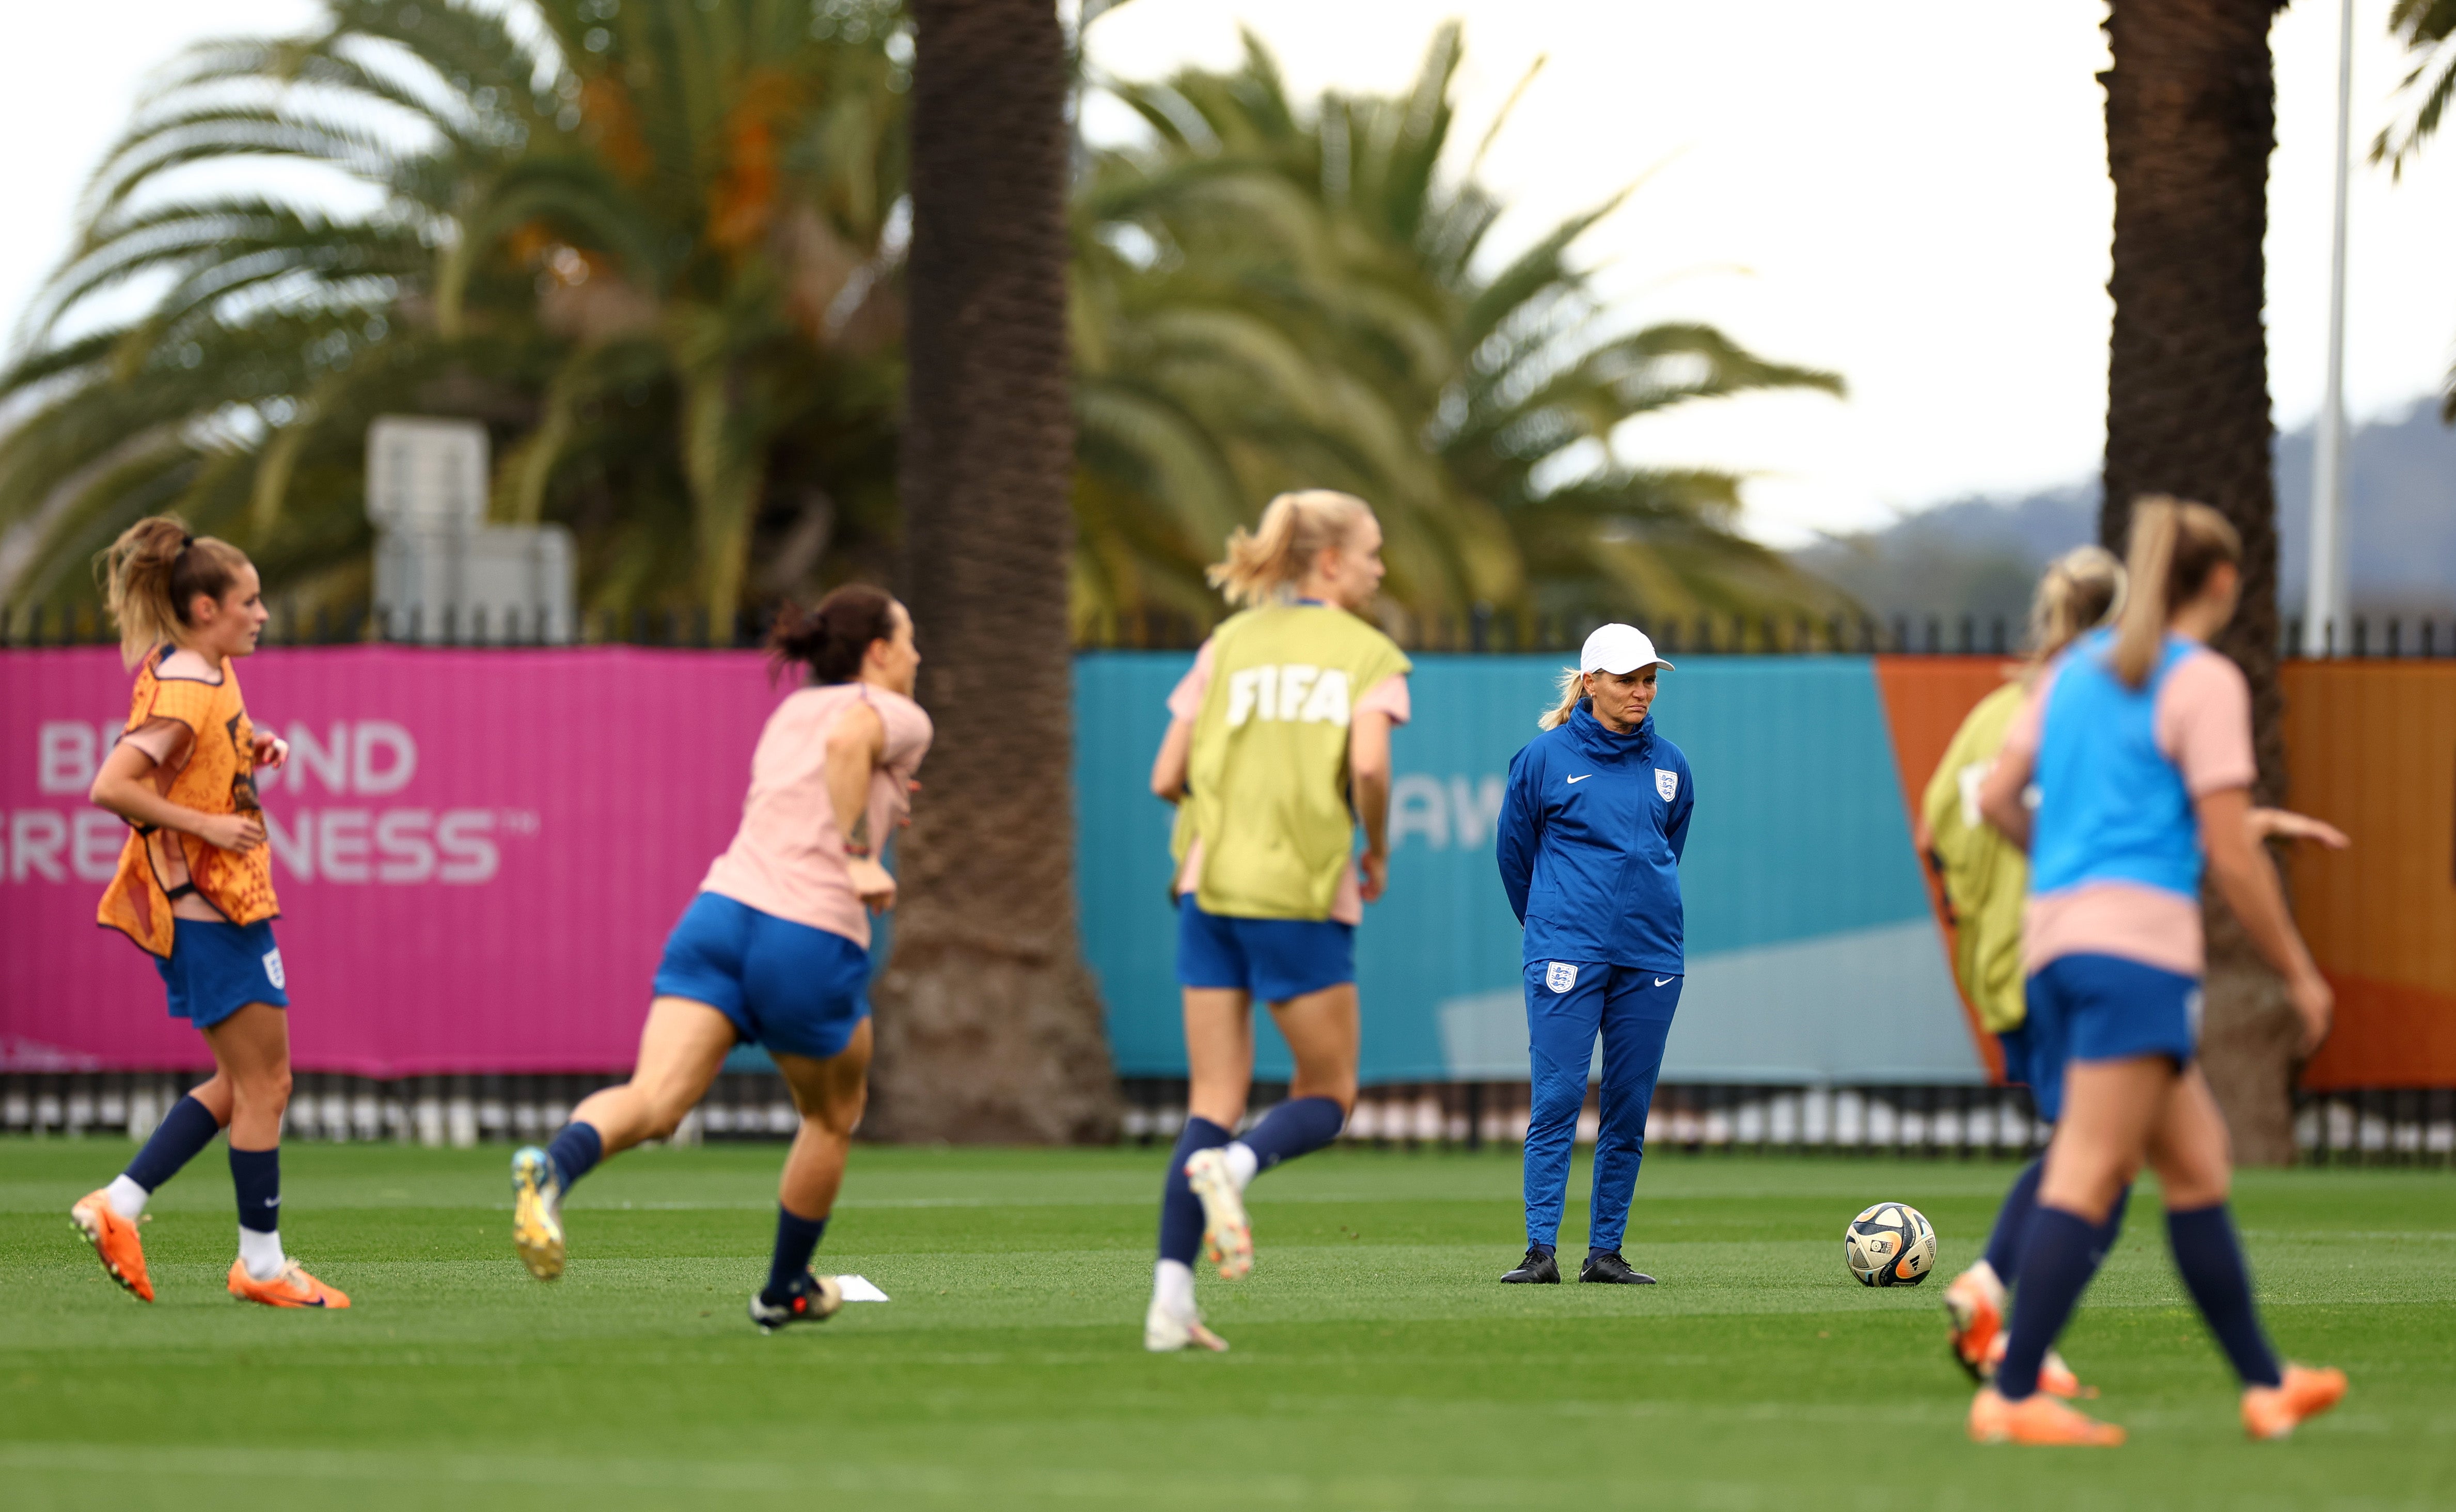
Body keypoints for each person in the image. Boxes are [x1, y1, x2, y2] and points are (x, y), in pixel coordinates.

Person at [1969, 497, 2347, 1445]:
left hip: (2059, 946)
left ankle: (2267, 1383)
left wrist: (2069, 870)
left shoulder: (2066, 675)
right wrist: (2298, 970)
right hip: (2133, 955)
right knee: (2091, 1172)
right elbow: (2228, 848)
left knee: (2196, 1164)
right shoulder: (2204, 680)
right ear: (2223, 581)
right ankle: (2011, 1395)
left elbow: (2003, 800)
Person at [510, 584, 929, 1332]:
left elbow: (834, 761)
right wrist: (860, 854)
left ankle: (554, 1167)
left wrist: (880, 792)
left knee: (654, 1101)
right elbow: (848, 745)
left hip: (719, 915)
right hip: (805, 934)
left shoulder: (790, 710)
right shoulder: (893, 711)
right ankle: (784, 1288)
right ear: (877, 652)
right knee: (834, 1114)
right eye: (909, 640)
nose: (918, 656)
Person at [1143, 490, 1411, 1352]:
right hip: (1297, 890)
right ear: (1329, 561)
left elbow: (1165, 772)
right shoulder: (1367, 653)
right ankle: (1242, 1167)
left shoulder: (1228, 642)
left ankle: (1169, 1305)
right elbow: (1368, 762)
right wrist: (1373, 844)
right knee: (1327, 1095)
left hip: (1208, 883)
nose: (1380, 566)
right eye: (1371, 551)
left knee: (1210, 1099)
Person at [73, 516, 347, 1309]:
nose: (262, 615)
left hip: (225, 902)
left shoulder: (203, 668)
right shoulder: (192, 682)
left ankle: (119, 1204)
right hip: (207, 908)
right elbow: (112, 785)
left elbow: (194, 752)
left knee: (241, 1083)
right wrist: (206, 825)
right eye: (249, 602)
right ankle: (261, 1265)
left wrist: (249, 746)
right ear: (204, 608)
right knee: (269, 1084)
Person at [1492, 624, 1691, 1286]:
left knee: (1628, 1109)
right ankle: (1539, 1250)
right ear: (1591, 683)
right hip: (1564, 952)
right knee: (1556, 1099)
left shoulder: (1670, 765)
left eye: (1648, 679)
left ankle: (1604, 1252)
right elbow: (1513, 854)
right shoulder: (1545, 758)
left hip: (1651, 955)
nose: (1642, 691)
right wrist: (1553, 922)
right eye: (1628, 679)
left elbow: (1667, 847)